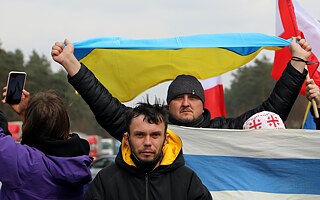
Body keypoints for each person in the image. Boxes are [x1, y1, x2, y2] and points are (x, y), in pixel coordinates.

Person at [51, 36, 311, 140]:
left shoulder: (223, 131)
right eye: (179, 98)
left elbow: (272, 111)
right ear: (169, 103)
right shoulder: (149, 133)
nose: (186, 102)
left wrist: (298, 62)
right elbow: (105, 106)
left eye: (193, 97)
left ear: (203, 103)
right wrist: (72, 65)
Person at [84, 101, 212, 200]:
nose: (147, 143)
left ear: (166, 139)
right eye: (140, 135)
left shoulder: (187, 181)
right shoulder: (105, 180)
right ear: (127, 139)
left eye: (155, 135)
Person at [0, 88, 92, 200]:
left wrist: (28, 116)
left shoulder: (25, 164)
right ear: (65, 122)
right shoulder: (78, 163)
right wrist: (27, 115)